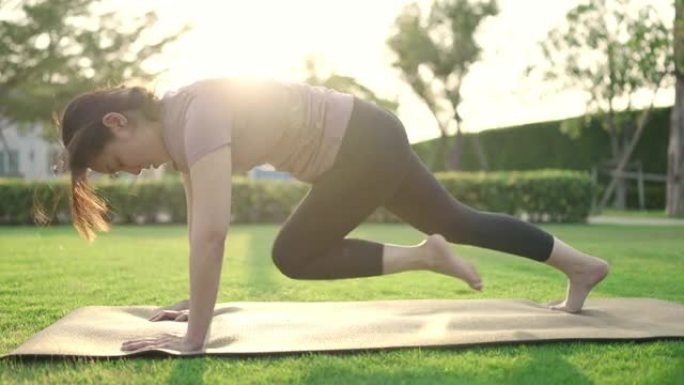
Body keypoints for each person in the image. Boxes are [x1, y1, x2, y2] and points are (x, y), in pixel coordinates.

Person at [57, 77, 609, 353]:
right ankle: (581, 266)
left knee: (291, 253)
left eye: (116, 164)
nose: (129, 173)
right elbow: (203, 225)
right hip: (368, 137)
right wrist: (192, 304)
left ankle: (424, 257)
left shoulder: (195, 115)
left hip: (362, 144)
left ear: (118, 122)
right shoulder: (180, 133)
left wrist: (195, 339)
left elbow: (214, 235)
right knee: (458, 220)